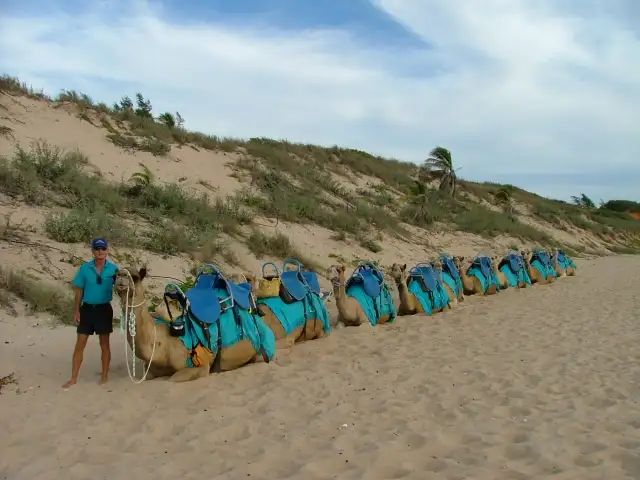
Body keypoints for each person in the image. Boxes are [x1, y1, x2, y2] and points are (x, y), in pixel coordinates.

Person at [62, 238, 119, 388]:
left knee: (104, 344)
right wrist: (76, 310)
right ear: (92, 251)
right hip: (87, 309)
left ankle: (105, 376)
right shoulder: (85, 268)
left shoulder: (114, 269)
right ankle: (73, 378)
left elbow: (122, 287)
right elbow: (79, 290)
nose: (100, 251)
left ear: (107, 251)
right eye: (97, 249)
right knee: (80, 344)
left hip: (104, 309)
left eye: (103, 249)